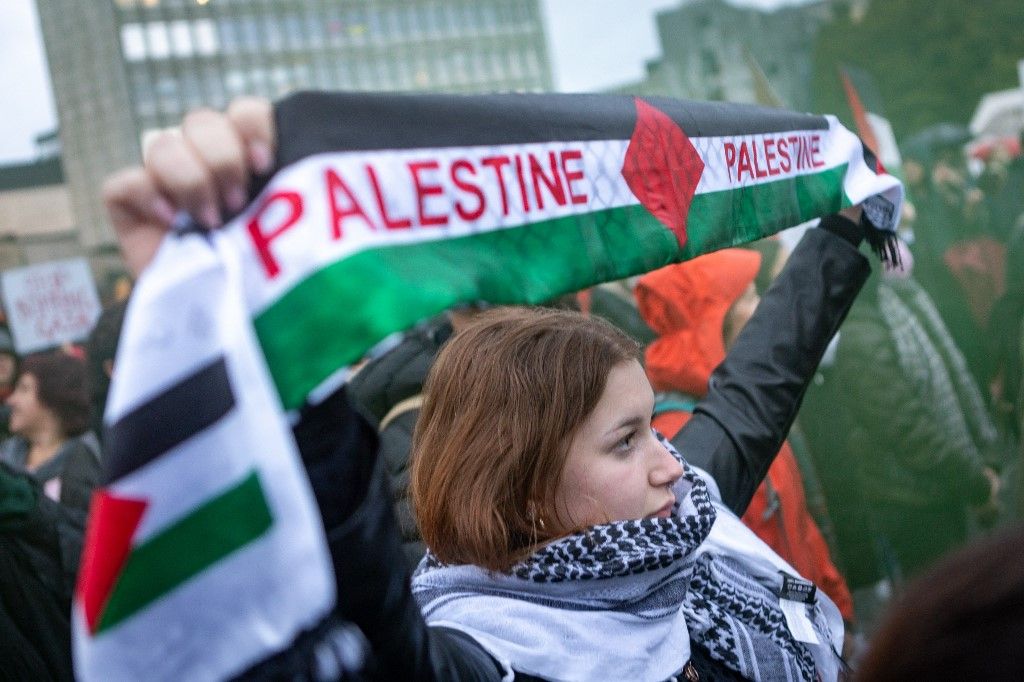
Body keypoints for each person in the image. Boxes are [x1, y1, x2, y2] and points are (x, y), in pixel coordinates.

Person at [104, 99, 879, 681]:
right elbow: (373, 613)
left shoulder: (680, 523)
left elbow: (751, 393)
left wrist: (844, 229)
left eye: (651, 426)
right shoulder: (485, 654)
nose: (672, 461)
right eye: (626, 439)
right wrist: (285, 341)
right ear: (526, 485)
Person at [634, 249, 856, 626]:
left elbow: (799, 525)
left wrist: (836, 605)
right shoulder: (680, 443)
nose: (761, 306)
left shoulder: (741, 415)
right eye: (750, 295)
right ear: (715, 321)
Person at [0, 353, 100, 517]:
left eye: (24, 389)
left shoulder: (87, 462)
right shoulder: (5, 457)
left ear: (53, 398)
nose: (12, 400)